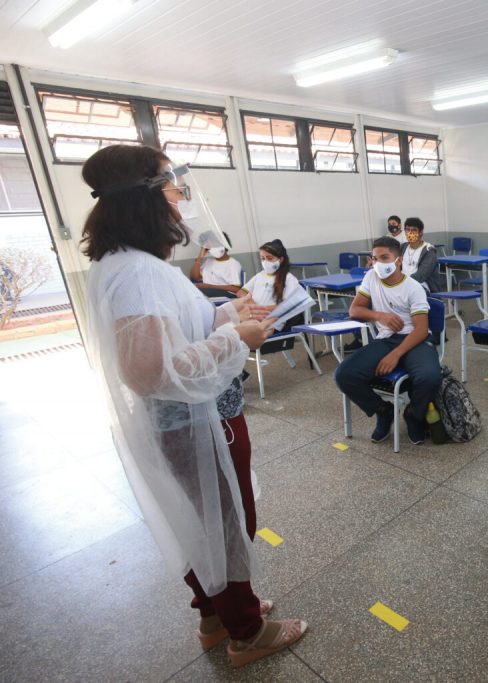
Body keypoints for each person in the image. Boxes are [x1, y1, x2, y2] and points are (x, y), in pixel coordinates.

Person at [79, 144, 306, 668]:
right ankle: (247, 632)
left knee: (205, 518)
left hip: (192, 419)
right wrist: (239, 338)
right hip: (196, 423)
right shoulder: (137, 272)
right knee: (225, 520)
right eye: (171, 183)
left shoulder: (132, 264)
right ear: (145, 198)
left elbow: (169, 337)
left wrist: (224, 314)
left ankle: (213, 615)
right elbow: (152, 370)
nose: (181, 195)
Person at [334, 236, 442, 446]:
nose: (378, 263)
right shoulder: (371, 278)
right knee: (344, 375)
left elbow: (420, 330)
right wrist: (380, 316)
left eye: (385, 258)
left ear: (398, 260)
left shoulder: (413, 287)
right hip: (386, 339)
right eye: (375, 258)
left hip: (415, 340)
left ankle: (413, 415)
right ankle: (383, 411)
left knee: (430, 377)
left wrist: (395, 355)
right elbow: (355, 310)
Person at [240, 239, 301, 307]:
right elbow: (241, 292)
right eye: (263, 258)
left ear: (280, 259)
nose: (265, 262)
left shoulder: (289, 278)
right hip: (256, 312)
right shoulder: (260, 275)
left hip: (273, 315)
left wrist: (263, 309)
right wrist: (251, 303)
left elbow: (287, 304)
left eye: (269, 258)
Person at [400, 217, 443, 292]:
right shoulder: (403, 247)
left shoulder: (428, 250)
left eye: (414, 230)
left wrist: (401, 283)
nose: (410, 232)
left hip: (421, 286)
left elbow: (421, 276)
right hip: (403, 285)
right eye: (407, 229)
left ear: (421, 232)